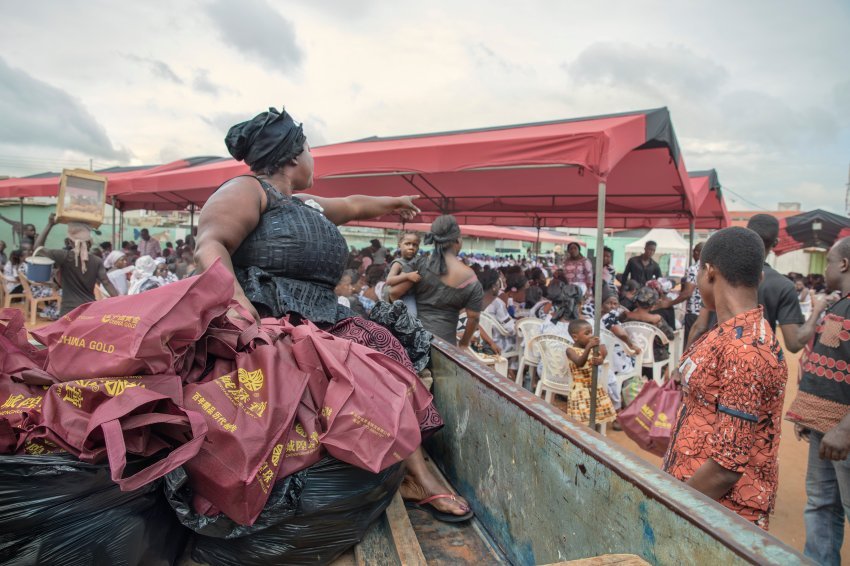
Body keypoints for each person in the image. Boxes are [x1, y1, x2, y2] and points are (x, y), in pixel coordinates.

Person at [193, 107, 471, 522]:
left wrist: (393, 202)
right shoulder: (248, 190)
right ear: (291, 156)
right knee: (359, 366)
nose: (312, 159)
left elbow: (353, 204)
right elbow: (210, 245)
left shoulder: (305, 203)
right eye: (309, 150)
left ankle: (413, 473)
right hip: (272, 315)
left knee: (385, 345)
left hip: (322, 313)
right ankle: (421, 476)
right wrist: (238, 305)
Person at [663, 226, 788, 530]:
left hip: (716, 514)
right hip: (695, 497)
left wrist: (670, 508)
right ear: (759, 277)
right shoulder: (728, 333)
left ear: (708, 272)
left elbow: (726, 467)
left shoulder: (747, 351)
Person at [785, 237, 850, 564]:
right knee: (822, 503)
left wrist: (845, 429)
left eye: (827, 261)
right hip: (824, 429)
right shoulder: (839, 304)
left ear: (844, 265)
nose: (824, 268)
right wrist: (810, 417)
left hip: (844, 434)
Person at [687, 214, 822, 352]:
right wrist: (817, 310)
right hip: (757, 356)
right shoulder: (783, 286)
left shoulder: (722, 273)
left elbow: (700, 326)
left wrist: (681, 367)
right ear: (775, 243)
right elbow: (794, 343)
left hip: (715, 355)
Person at [411, 215, 484, 349]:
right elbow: (473, 318)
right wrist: (464, 343)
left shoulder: (418, 265)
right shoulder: (471, 279)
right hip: (445, 348)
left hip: (412, 341)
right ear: (457, 240)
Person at [33, 215, 118, 316]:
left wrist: (50, 225)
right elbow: (106, 282)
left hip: (69, 310)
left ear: (69, 242)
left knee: (68, 332)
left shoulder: (64, 256)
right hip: (89, 309)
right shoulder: (97, 261)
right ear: (89, 242)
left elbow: (38, 248)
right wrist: (120, 301)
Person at [565, 319, 616, 427]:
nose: (590, 336)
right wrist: (589, 347)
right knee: (581, 420)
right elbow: (580, 363)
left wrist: (601, 359)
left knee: (596, 415)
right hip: (580, 389)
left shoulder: (593, 349)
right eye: (587, 333)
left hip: (594, 386)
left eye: (591, 332)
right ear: (575, 337)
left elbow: (603, 353)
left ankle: (594, 432)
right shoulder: (570, 350)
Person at [385, 231, 421, 315]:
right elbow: (389, 280)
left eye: (415, 245)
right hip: (404, 296)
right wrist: (407, 276)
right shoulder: (398, 263)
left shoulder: (417, 261)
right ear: (399, 245)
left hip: (414, 294)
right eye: (407, 244)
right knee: (412, 315)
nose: (411, 247)